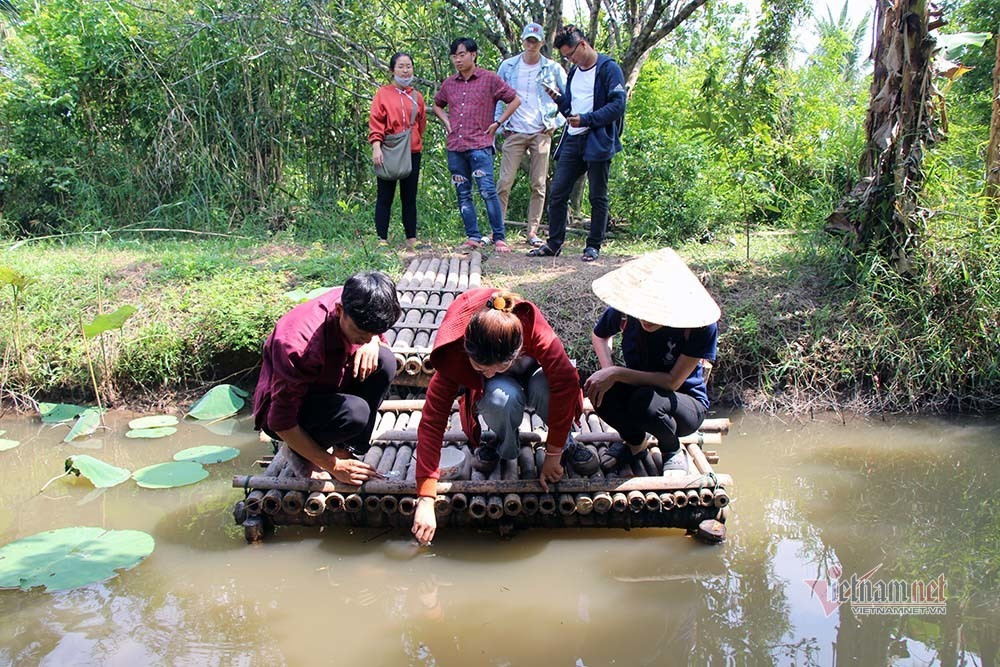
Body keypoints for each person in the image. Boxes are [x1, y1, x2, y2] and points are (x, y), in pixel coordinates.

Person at [411, 288, 598, 544]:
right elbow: (432, 422)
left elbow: (565, 381)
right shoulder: (456, 350)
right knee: (499, 398)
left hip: (535, 374)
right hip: (501, 390)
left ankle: (565, 442)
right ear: (467, 353)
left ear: (518, 350)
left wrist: (553, 453)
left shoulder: (530, 325)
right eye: (480, 369)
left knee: (545, 386)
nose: (488, 374)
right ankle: (502, 441)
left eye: (500, 366)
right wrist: (425, 498)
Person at [252, 272, 402, 485]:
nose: (366, 339)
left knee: (384, 360)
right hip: (287, 412)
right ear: (339, 310)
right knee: (355, 412)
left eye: (373, 332)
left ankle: (344, 448)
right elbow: (280, 421)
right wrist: (332, 465)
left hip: (329, 383)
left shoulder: (358, 302)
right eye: (361, 333)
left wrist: (373, 341)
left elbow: (371, 336)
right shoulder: (297, 345)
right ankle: (301, 450)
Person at [584, 248, 720, 472]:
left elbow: (672, 382)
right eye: (643, 310)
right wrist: (608, 371)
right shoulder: (626, 311)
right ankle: (635, 443)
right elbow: (600, 335)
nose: (646, 319)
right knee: (599, 389)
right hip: (639, 391)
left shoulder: (699, 327)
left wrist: (616, 373)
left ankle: (671, 448)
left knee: (645, 401)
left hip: (683, 404)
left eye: (655, 312)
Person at [528, 25, 626, 262]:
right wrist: (559, 100)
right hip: (573, 137)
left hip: (598, 138)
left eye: (571, 55)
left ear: (582, 45)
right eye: (566, 57)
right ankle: (554, 244)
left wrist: (587, 119)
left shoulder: (608, 68)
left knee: (597, 195)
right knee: (558, 191)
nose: (570, 60)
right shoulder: (574, 72)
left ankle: (593, 246)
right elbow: (572, 107)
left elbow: (617, 105)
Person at [434, 37, 522, 254]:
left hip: (480, 145)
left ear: (473, 55)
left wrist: (498, 123)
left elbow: (515, 99)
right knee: (463, 192)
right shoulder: (449, 84)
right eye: (454, 56)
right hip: (456, 146)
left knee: (487, 191)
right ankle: (473, 237)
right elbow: (437, 105)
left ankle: (499, 237)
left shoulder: (489, 79)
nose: (458, 60)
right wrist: (447, 122)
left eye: (462, 54)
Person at [494, 23, 567, 248]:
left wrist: (556, 123)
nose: (531, 44)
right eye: (528, 40)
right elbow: (497, 97)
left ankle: (532, 232)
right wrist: (499, 124)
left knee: (538, 184)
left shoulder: (553, 69)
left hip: (540, 131)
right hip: (514, 130)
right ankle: (498, 230)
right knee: (504, 182)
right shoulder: (508, 66)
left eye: (535, 41)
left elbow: (568, 99)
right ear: (523, 41)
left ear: (542, 42)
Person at [369, 52, 428, 250]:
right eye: (401, 66)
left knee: (409, 196)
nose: (405, 71)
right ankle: (381, 238)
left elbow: (421, 123)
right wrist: (376, 147)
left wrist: (416, 141)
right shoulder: (383, 94)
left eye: (408, 66)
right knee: (385, 195)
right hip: (389, 150)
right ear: (392, 70)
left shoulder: (417, 97)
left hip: (412, 151)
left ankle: (411, 238)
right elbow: (376, 121)